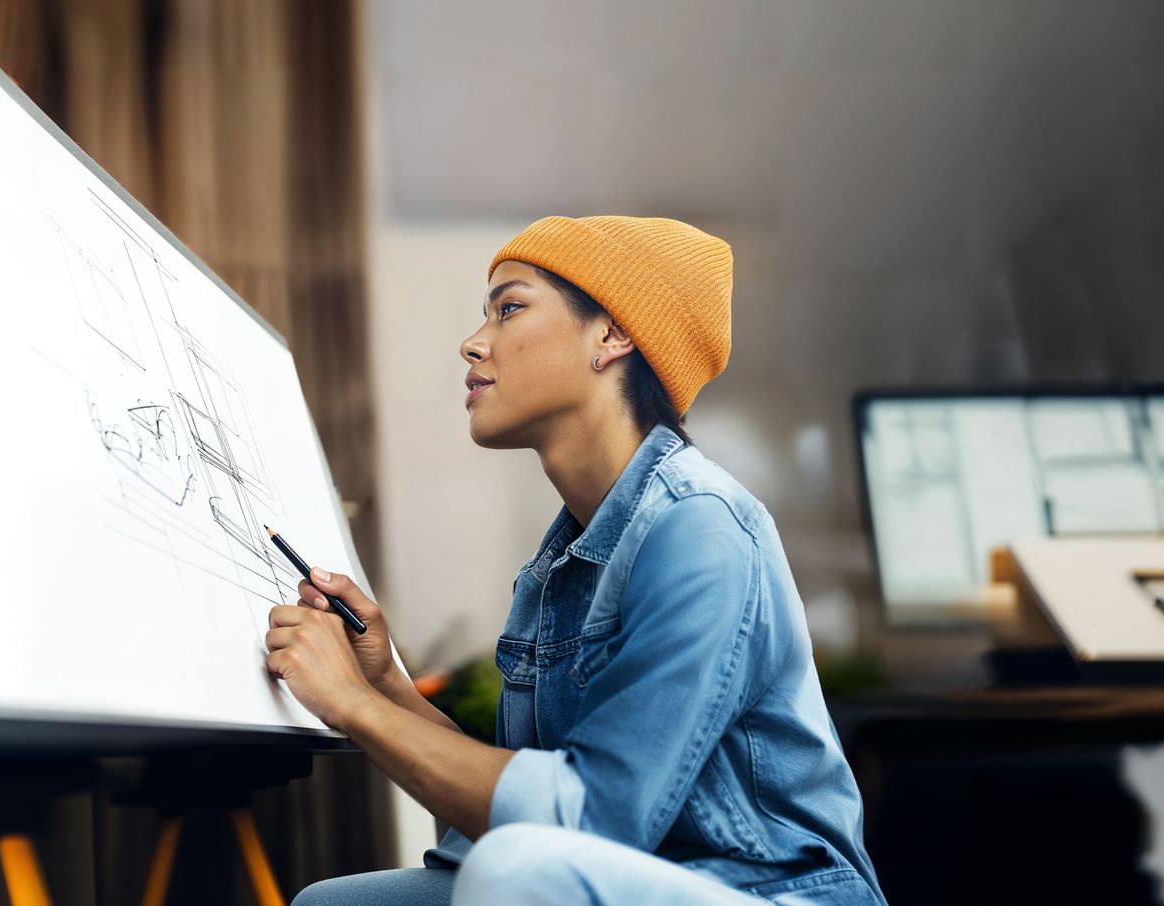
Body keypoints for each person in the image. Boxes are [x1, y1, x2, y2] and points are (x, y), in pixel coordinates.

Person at [275, 216, 886, 905]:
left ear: (612, 335)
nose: (473, 342)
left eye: (509, 308)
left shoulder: (700, 526)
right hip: (621, 876)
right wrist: (386, 684)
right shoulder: (563, 561)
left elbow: (589, 820)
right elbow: (519, 803)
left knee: (515, 872)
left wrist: (353, 705)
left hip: (774, 894)